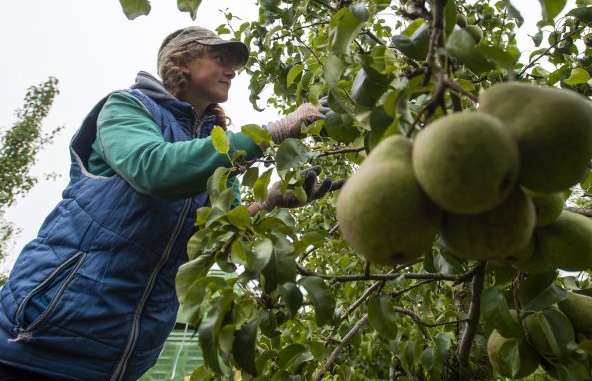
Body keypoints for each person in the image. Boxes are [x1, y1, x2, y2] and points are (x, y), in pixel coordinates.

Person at [0, 26, 342, 381]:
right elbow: (155, 169)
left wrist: (270, 202)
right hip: (38, 341)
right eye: (221, 59)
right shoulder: (128, 107)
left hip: (119, 362)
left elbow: (219, 234)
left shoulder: (217, 146)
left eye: (234, 67)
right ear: (182, 63)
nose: (231, 72)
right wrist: (274, 131)